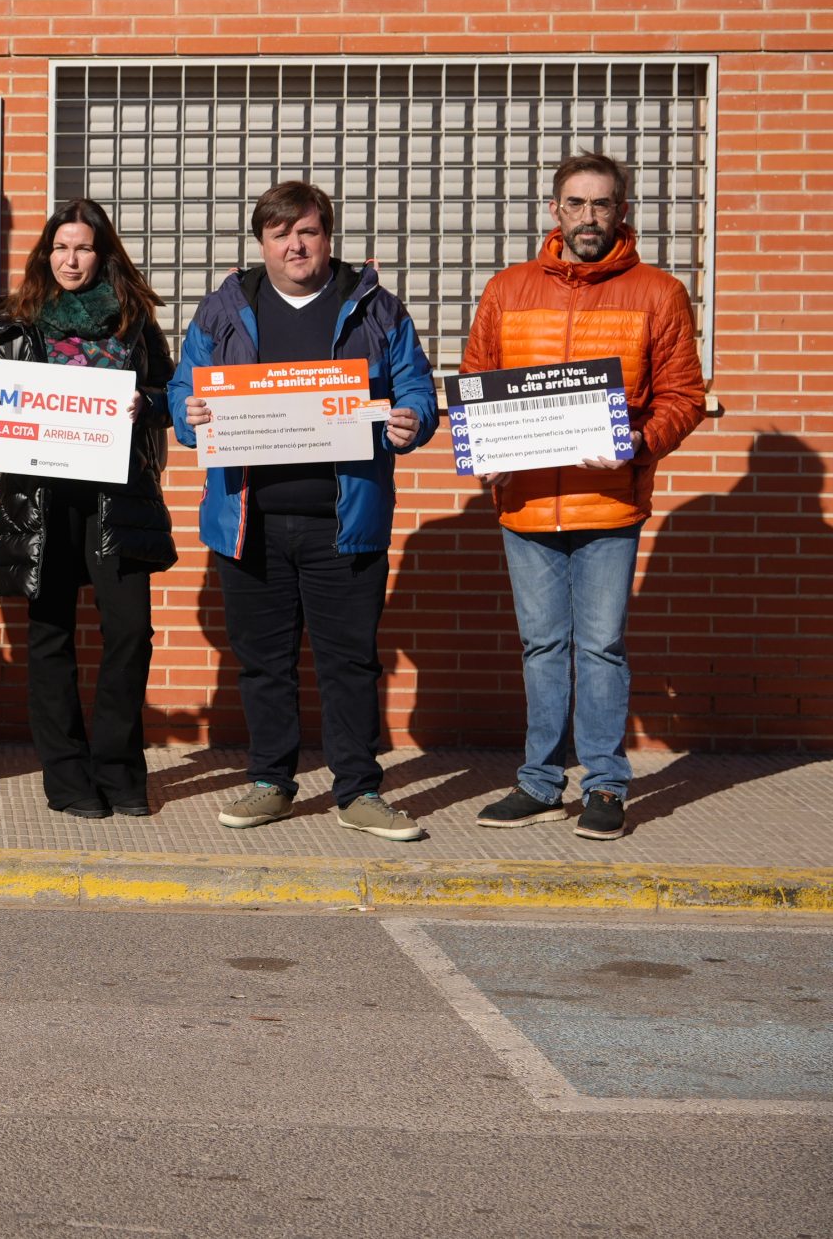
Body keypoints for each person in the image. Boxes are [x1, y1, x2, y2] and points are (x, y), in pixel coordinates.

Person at [170, 180, 437, 841]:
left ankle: (358, 790)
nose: (295, 245)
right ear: (261, 242)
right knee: (264, 662)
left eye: (308, 231)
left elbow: (417, 388)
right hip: (248, 521)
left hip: (344, 522)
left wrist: (412, 419)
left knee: (350, 663)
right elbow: (183, 387)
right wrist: (187, 413)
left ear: (328, 237)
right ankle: (271, 783)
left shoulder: (375, 307)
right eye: (280, 233)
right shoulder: (224, 308)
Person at [463, 152, 704, 841]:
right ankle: (540, 783)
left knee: (600, 647)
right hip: (526, 504)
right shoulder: (507, 289)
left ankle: (604, 786)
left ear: (622, 211)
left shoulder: (658, 292)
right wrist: (487, 454)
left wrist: (639, 442)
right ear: (554, 210)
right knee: (542, 646)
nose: (588, 216)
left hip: (609, 500)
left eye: (602, 204)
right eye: (576, 203)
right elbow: (478, 380)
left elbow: (684, 396)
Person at [0, 199, 177, 819]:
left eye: (82, 248)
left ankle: (119, 771)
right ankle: (67, 776)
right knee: (50, 635)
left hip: (117, 498)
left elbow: (170, 393)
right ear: (45, 253)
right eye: (60, 247)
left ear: (102, 255)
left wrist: (148, 404)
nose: (70, 260)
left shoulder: (134, 319)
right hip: (41, 500)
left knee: (130, 633)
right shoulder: (18, 320)